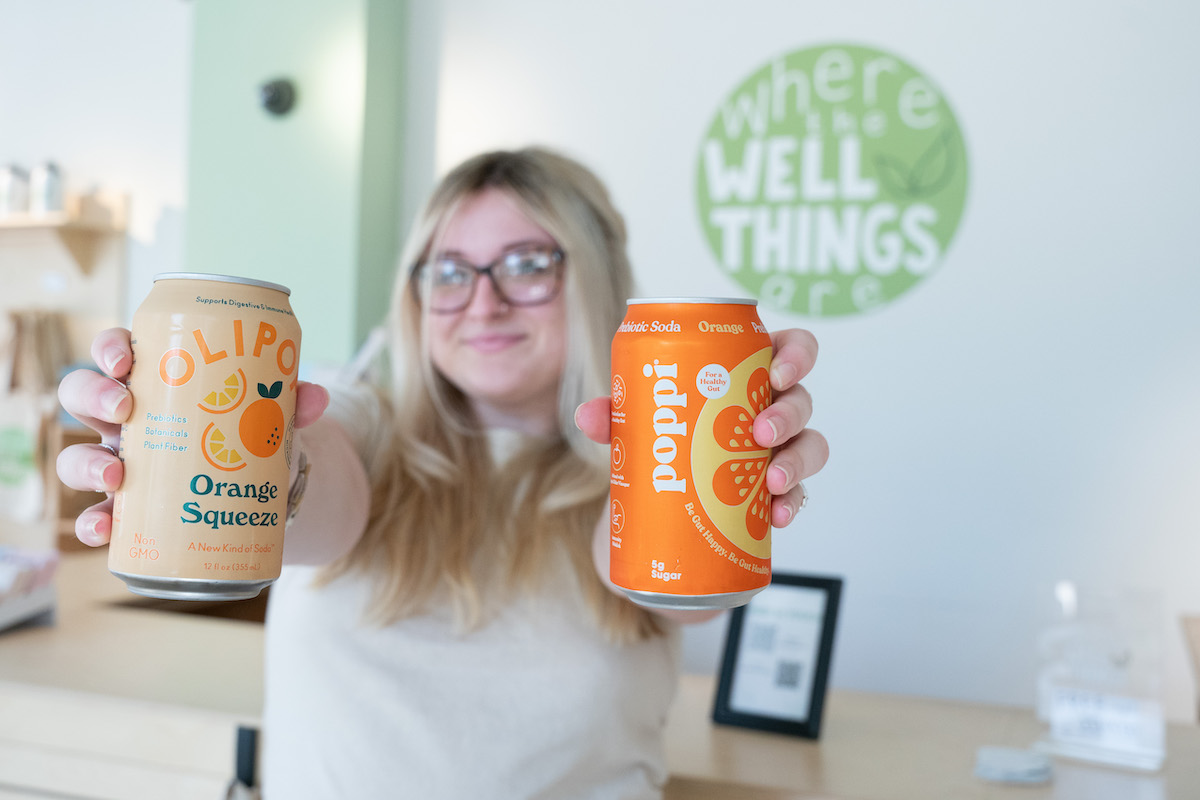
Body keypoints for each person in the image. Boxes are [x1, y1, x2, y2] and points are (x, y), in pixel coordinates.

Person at [56, 147, 829, 799]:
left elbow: (661, 579)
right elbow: (321, 487)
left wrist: (721, 461)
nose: (482, 304)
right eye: (450, 271)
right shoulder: (361, 419)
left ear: (595, 275)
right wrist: (239, 456)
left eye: (527, 265)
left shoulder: (650, 463)